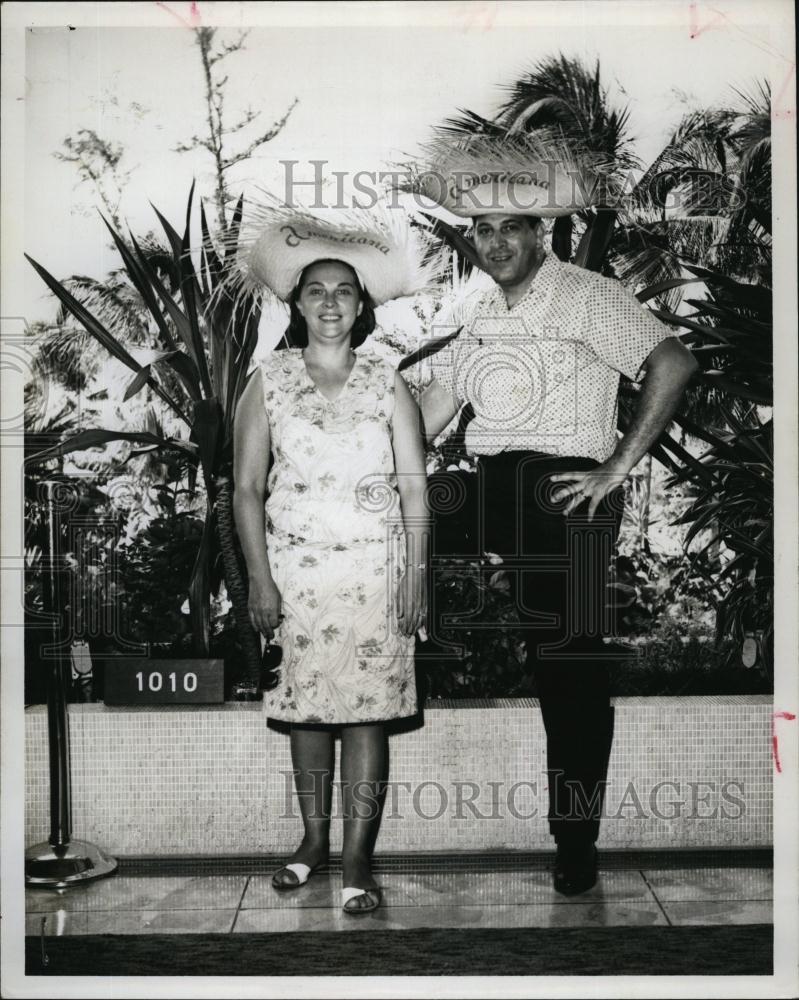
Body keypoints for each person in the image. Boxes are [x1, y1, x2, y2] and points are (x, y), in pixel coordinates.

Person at [418, 138, 698, 895]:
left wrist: (617, 465)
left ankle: (575, 842)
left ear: (540, 230)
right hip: (487, 484)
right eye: (481, 228)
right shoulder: (468, 304)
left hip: (567, 497)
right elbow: (435, 409)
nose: (496, 240)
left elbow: (672, 363)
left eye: (512, 226)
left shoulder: (586, 294)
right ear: (469, 236)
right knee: (380, 534)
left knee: (569, 667)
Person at [232, 204, 437, 914]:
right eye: (315, 290)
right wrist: (259, 579)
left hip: (376, 579)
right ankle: (312, 843)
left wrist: (415, 578)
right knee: (307, 715)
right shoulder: (268, 380)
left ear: (361, 306)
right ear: (297, 303)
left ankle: (356, 861)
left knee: (366, 717)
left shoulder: (387, 381)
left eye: (343, 291)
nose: (329, 302)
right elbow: (247, 488)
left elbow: (414, 487)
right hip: (295, 579)